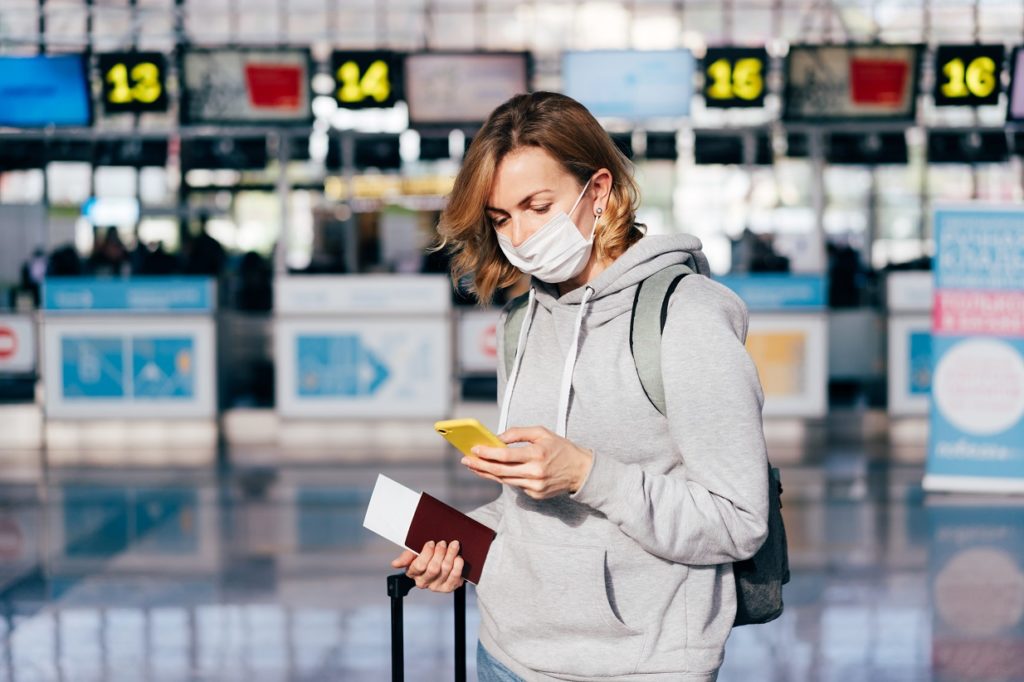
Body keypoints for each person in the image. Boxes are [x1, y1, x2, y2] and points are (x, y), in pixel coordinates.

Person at [391, 92, 769, 682]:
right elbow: (534, 513)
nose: (519, 235)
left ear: (598, 191)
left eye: (537, 206)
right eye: (500, 218)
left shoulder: (685, 316)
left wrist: (589, 474)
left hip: (637, 667)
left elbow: (737, 521)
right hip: (506, 655)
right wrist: (463, 547)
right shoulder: (524, 320)